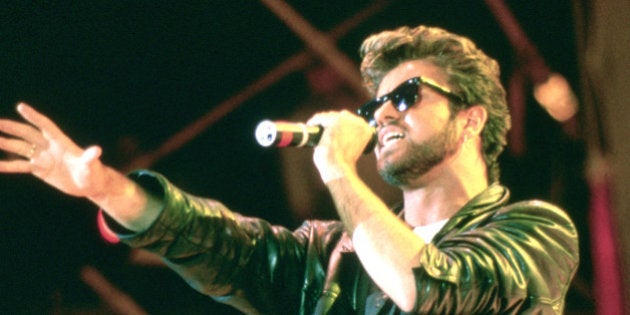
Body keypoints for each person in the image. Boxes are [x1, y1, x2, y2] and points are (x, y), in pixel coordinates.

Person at [0, 25, 578, 314]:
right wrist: (103, 186)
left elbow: (427, 288)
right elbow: (219, 243)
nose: (383, 117)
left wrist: (338, 170)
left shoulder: (535, 232)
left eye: (406, 97)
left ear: (472, 120)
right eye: (376, 104)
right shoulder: (328, 257)